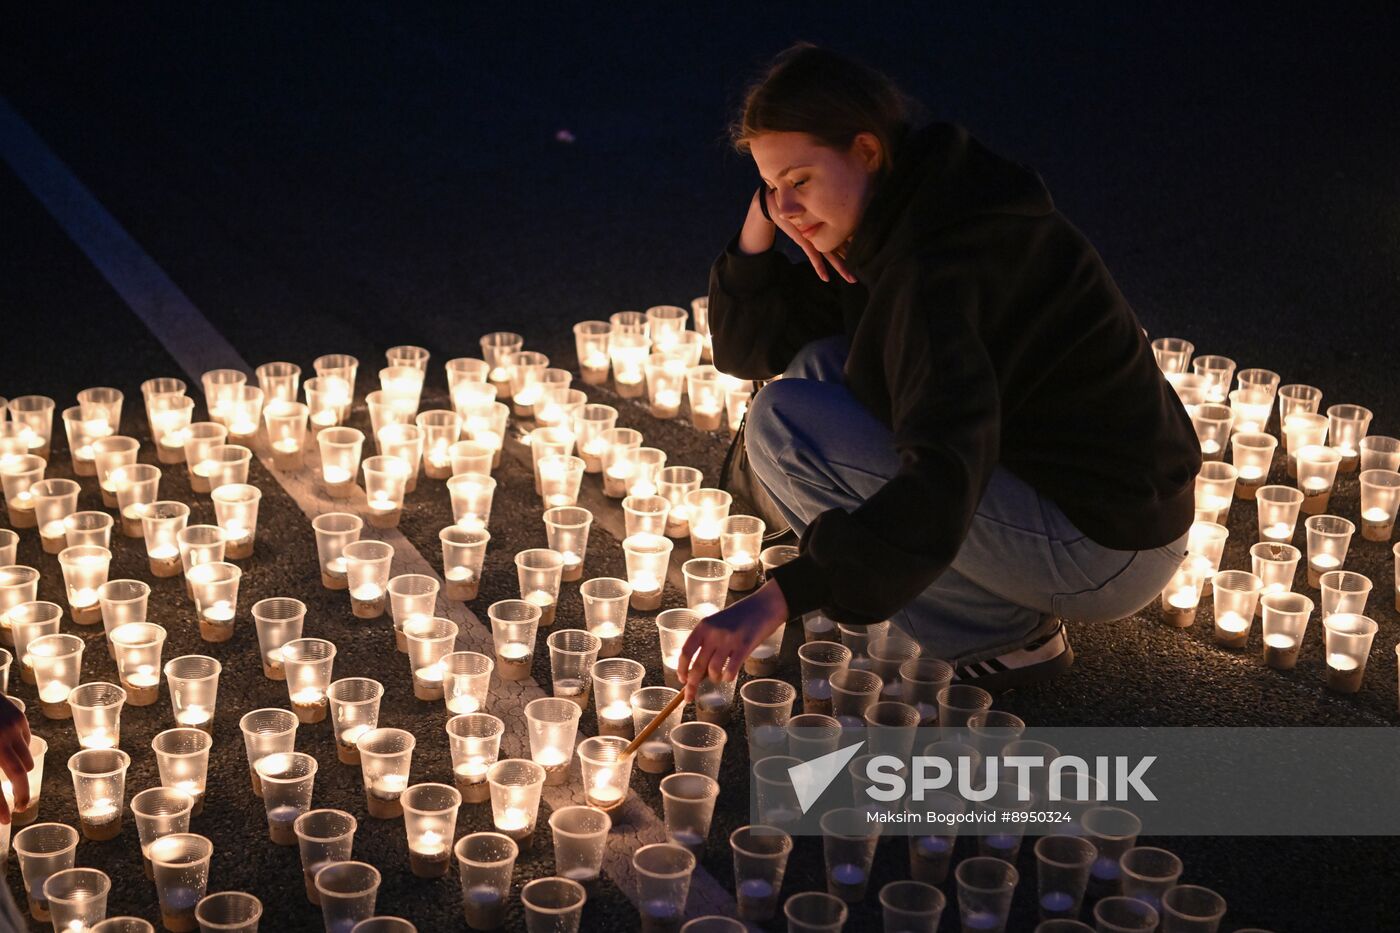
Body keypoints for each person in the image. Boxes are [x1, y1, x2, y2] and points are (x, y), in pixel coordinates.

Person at [678, 43, 1199, 698]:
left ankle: (1003, 639)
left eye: (799, 180)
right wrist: (764, 219)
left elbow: (947, 469)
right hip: (1095, 504)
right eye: (769, 186)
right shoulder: (906, 206)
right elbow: (747, 348)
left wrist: (777, 598)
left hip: (1108, 546)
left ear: (867, 150)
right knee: (816, 366)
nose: (785, 207)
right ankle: (986, 609)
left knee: (782, 430)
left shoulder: (934, 266)